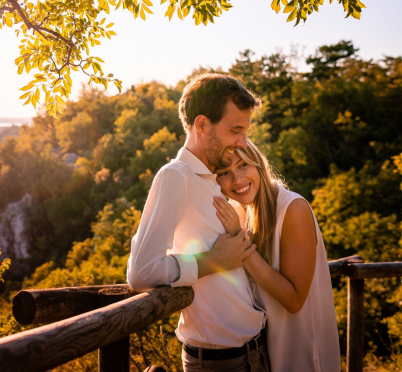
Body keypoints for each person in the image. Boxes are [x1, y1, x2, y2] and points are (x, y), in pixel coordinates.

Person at [127, 73, 270, 372]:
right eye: (235, 130)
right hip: (220, 363)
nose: (243, 141)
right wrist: (213, 261)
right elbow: (141, 273)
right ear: (202, 124)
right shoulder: (175, 177)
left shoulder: (215, 181)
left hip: (254, 352)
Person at [212, 140, 340, 372]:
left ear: (258, 164)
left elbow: (294, 301)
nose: (237, 179)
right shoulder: (240, 211)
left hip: (304, 353)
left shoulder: (293, 208)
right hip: (265, 354)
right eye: (224, 173)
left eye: (243, 165)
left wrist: (240, 242)